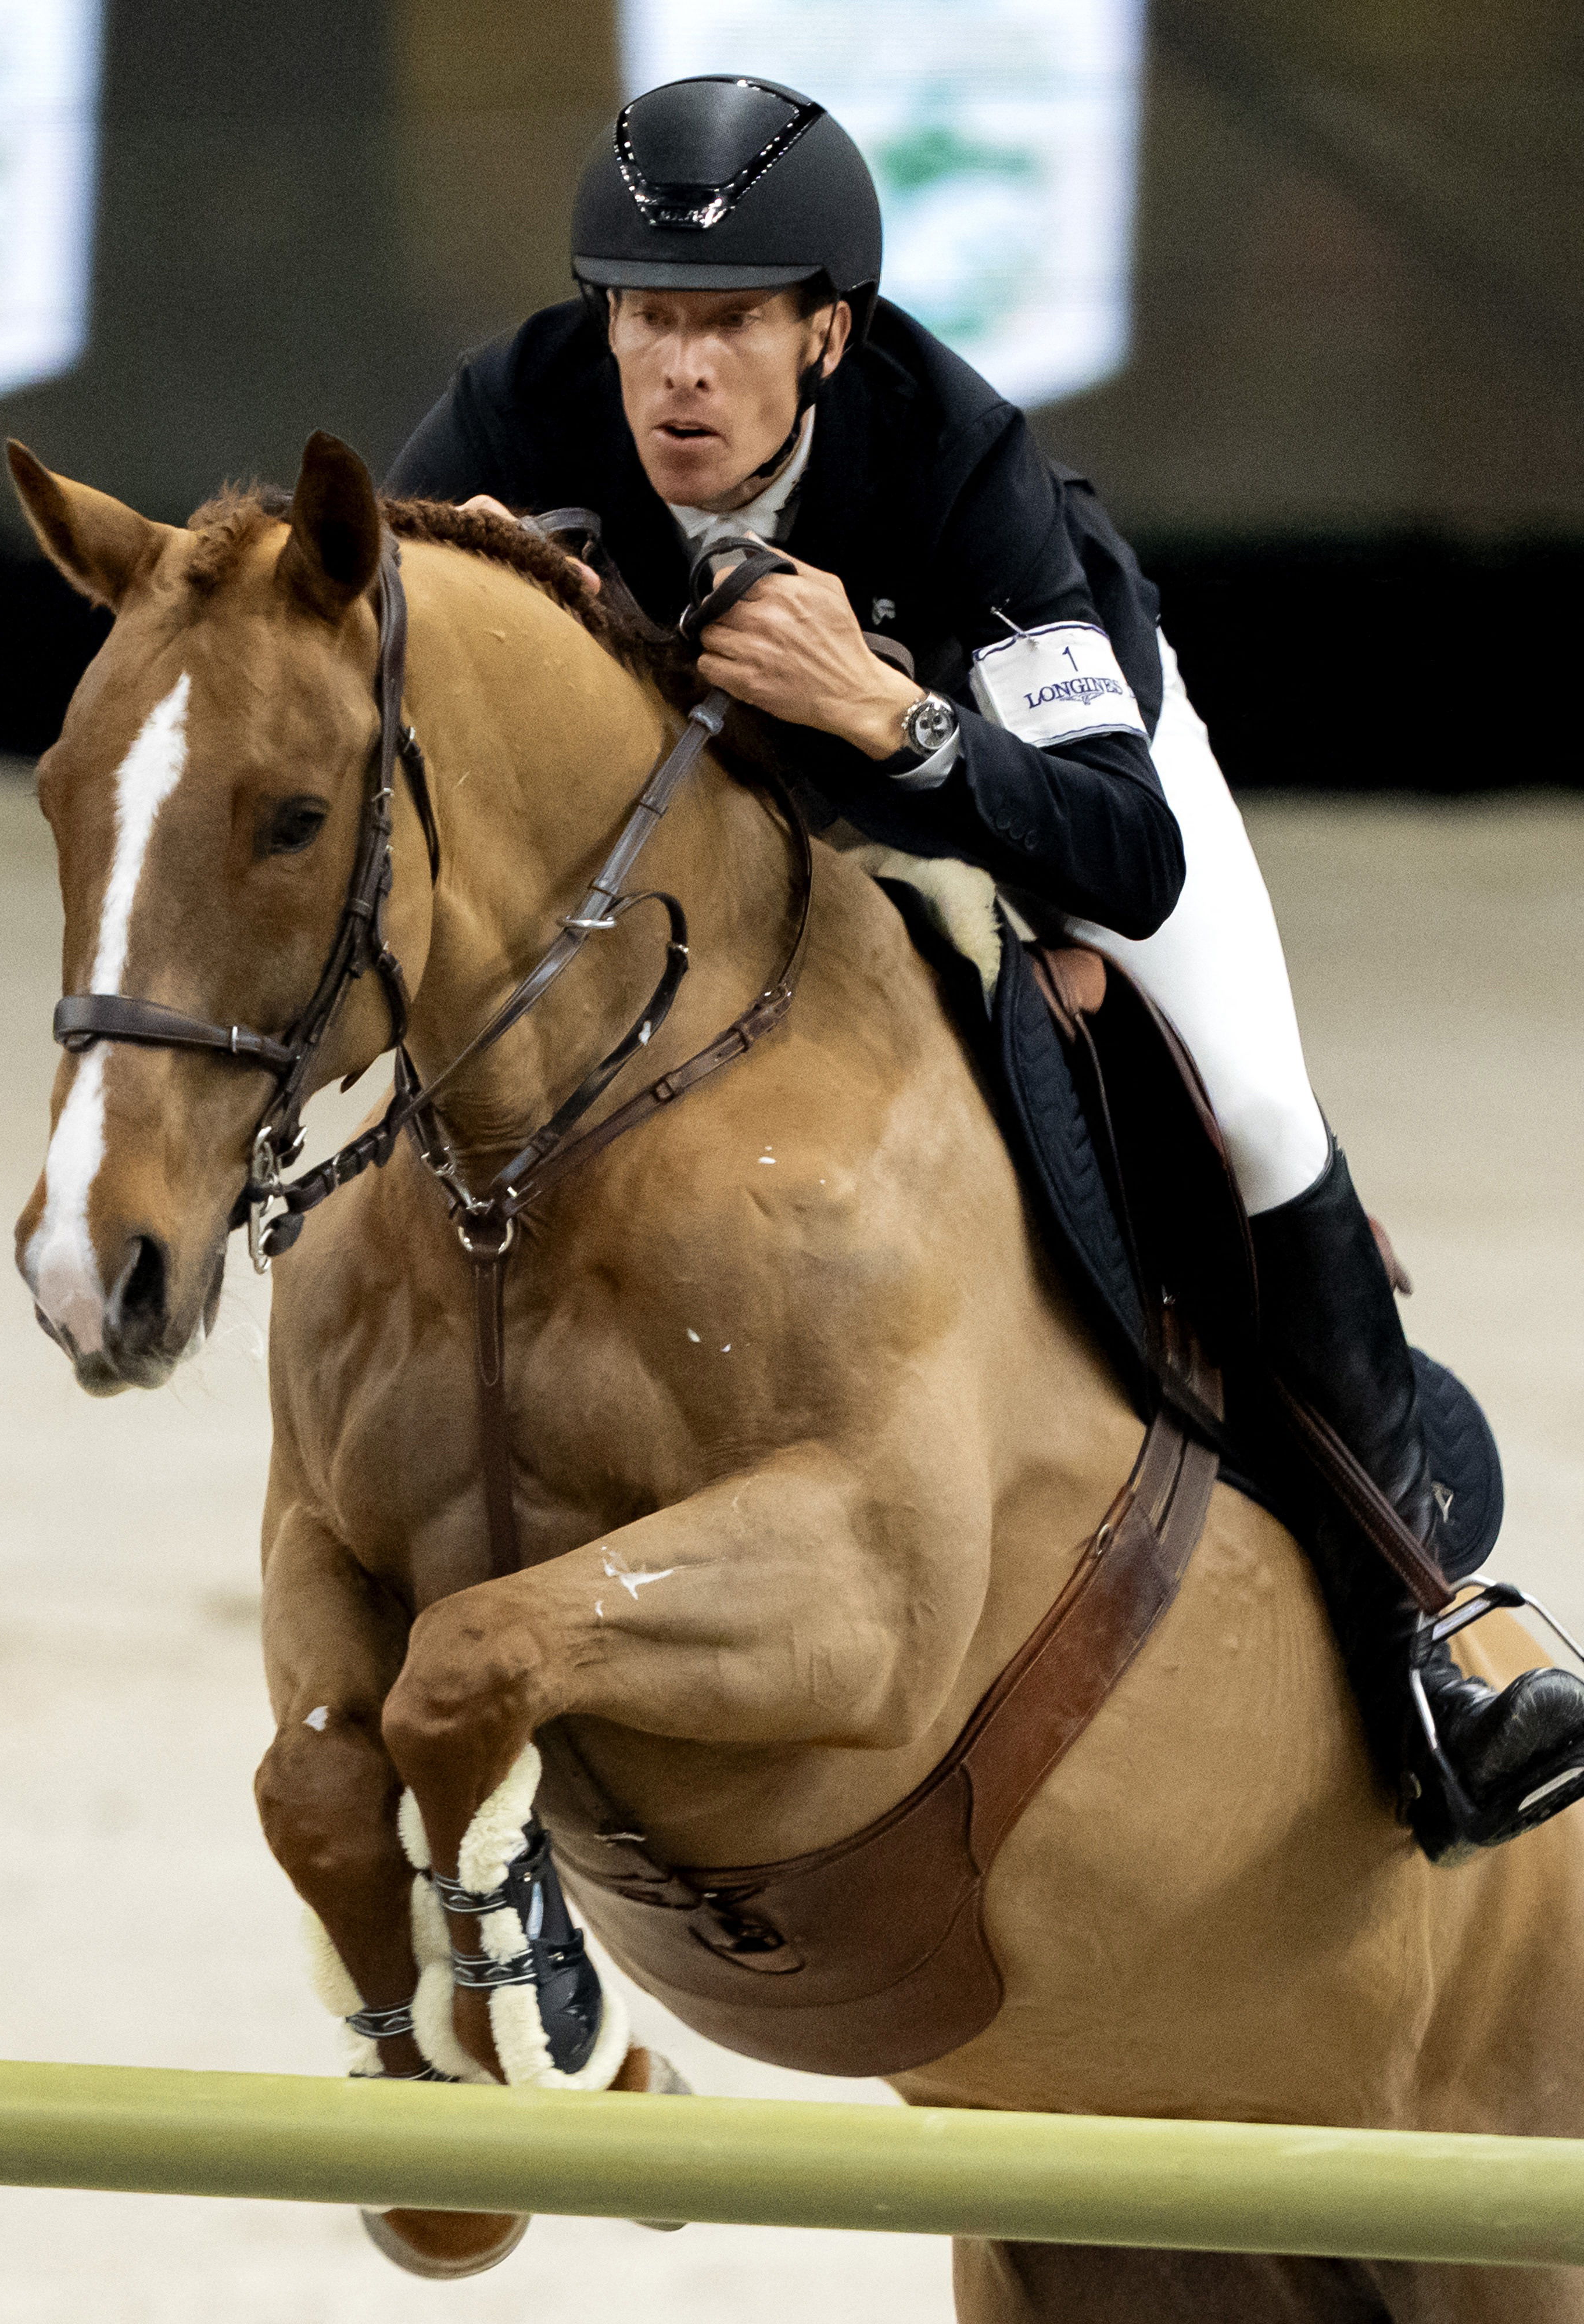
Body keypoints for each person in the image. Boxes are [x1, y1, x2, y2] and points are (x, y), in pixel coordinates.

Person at [384, 74, 1584, 1856]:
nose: (677, 374)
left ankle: (1431, 1629)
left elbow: (1122, 841)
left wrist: (889, 710)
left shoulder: (954, 458)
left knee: (1243, 1102)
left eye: (726, 328)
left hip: (1026, 784)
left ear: (827, 334)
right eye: (646, 318)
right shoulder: (520, 411)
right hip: (713, 825)